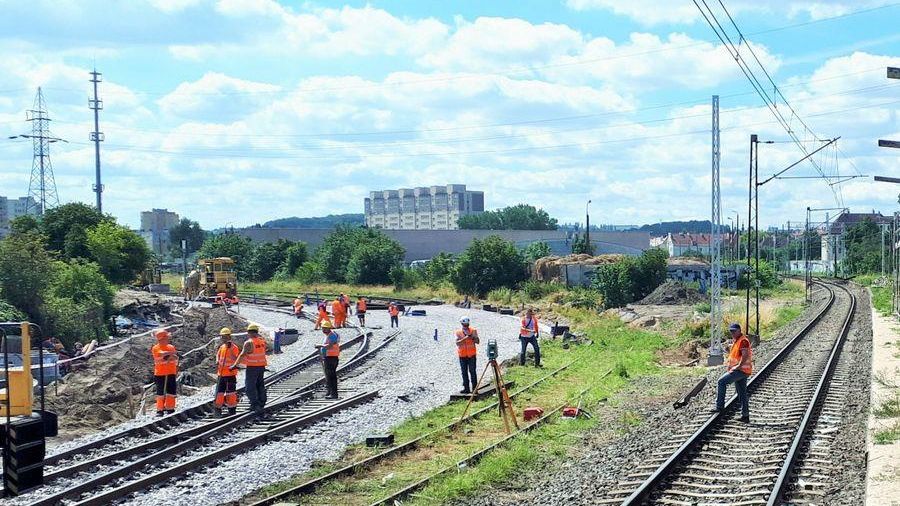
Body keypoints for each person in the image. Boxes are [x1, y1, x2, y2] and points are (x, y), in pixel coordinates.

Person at [713, 322, 753, 422]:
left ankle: (719, 407)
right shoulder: (737, 341)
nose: (732, 333)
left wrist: (738, 366)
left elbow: (745, 356)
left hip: (740, 370)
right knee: (742, 393)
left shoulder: (743, 341)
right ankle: (745, 416)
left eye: (734, 331)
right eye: (731, 331)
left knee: (721, 382)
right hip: (742, 370)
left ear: (739, 330)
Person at [232, 323, 268, 416]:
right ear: (257, 332)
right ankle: (262, 401)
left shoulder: (249, 343)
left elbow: (242, 355)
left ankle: (255, 404)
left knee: (250, 387)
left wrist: (235, 365)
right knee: (259, 384)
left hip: (252, 367)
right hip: (261, 366)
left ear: (249, 332)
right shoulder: (262, 341)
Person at [151, 329, 178, 417]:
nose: (168, 339)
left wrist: (169, 355)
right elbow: (161, 354)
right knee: (161, 392)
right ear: (162, 339)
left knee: (171, 391)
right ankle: (160, 410)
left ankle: (170, 408)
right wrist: (170, 354)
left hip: (171, 372)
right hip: (160, 374)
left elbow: (174, 357)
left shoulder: (171, 347)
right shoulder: (156, 348)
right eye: (166, 337)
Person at [214, 327, 240, 416]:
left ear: (229, 337)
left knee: (231, 393)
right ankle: (218, 410)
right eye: (222, 337)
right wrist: (217, 360)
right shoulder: (222, 347)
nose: (223, 339)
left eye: (225, 337)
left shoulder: (234, 348)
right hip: (221, 374)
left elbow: (237, 359)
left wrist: (233, 357)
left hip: (230, 374)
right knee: (219, 393)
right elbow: (218, 355)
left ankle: (232, 410)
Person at [455, 317, 480, 394]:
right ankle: (466, 388)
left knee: (473, 372)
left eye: (467, 324)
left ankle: (475, 389)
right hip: (462, 355)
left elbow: (478, 341)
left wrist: (473, 337)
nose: (466, 325)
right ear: (462, 324)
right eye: (465, 324)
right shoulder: (458, 332)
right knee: (464, 372)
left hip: (471, 355)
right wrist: (465, 338)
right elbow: (457, 343)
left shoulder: (473, 330)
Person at [318, 321, 341, 399]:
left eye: (325, 328)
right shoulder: (328, 335)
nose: (323, 330)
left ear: (329, 328)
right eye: (323, 328)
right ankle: (330, 392)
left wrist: (320, 346)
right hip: (329, 357)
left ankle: (334, 394)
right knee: (329, 376)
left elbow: (330, 346)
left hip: (331, 358)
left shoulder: (332, 335)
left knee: (331, 377)